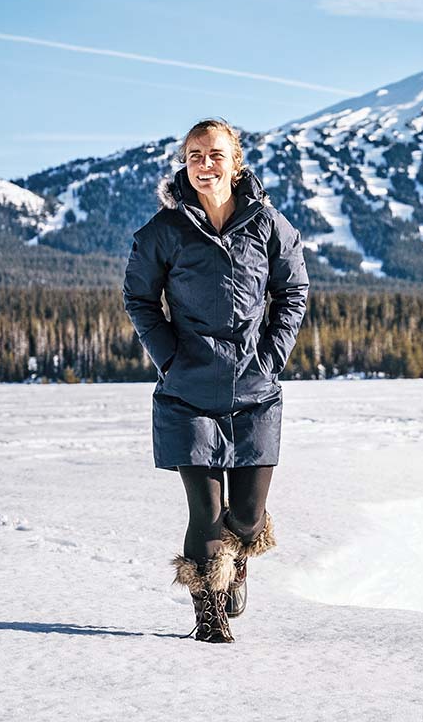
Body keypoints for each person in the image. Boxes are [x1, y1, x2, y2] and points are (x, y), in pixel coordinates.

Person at [123, 118, 309, 643]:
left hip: (256, 390)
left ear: (236, 161)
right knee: (205, 515)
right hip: (188, 392)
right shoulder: (163, 231)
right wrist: (170, 357)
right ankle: (209, 615)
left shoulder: (269, 224)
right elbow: (139, 298)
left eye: (215, 154)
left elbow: (292, 290)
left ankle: (239, 558)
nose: (205, 164)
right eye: (195, 155)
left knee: (246, 518)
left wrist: (271, 355)